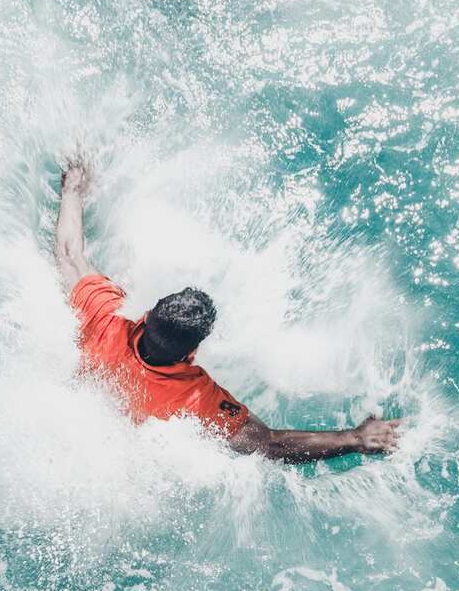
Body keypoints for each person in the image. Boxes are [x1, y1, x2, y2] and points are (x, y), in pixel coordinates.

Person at [53, 159, 401, 463]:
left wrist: (73, 188)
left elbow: (69, 255)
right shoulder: (196, 396)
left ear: (144, 316)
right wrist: (355, 439)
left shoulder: (106, 316)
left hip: (73, 417)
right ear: (191, 353)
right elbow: (269, 445)